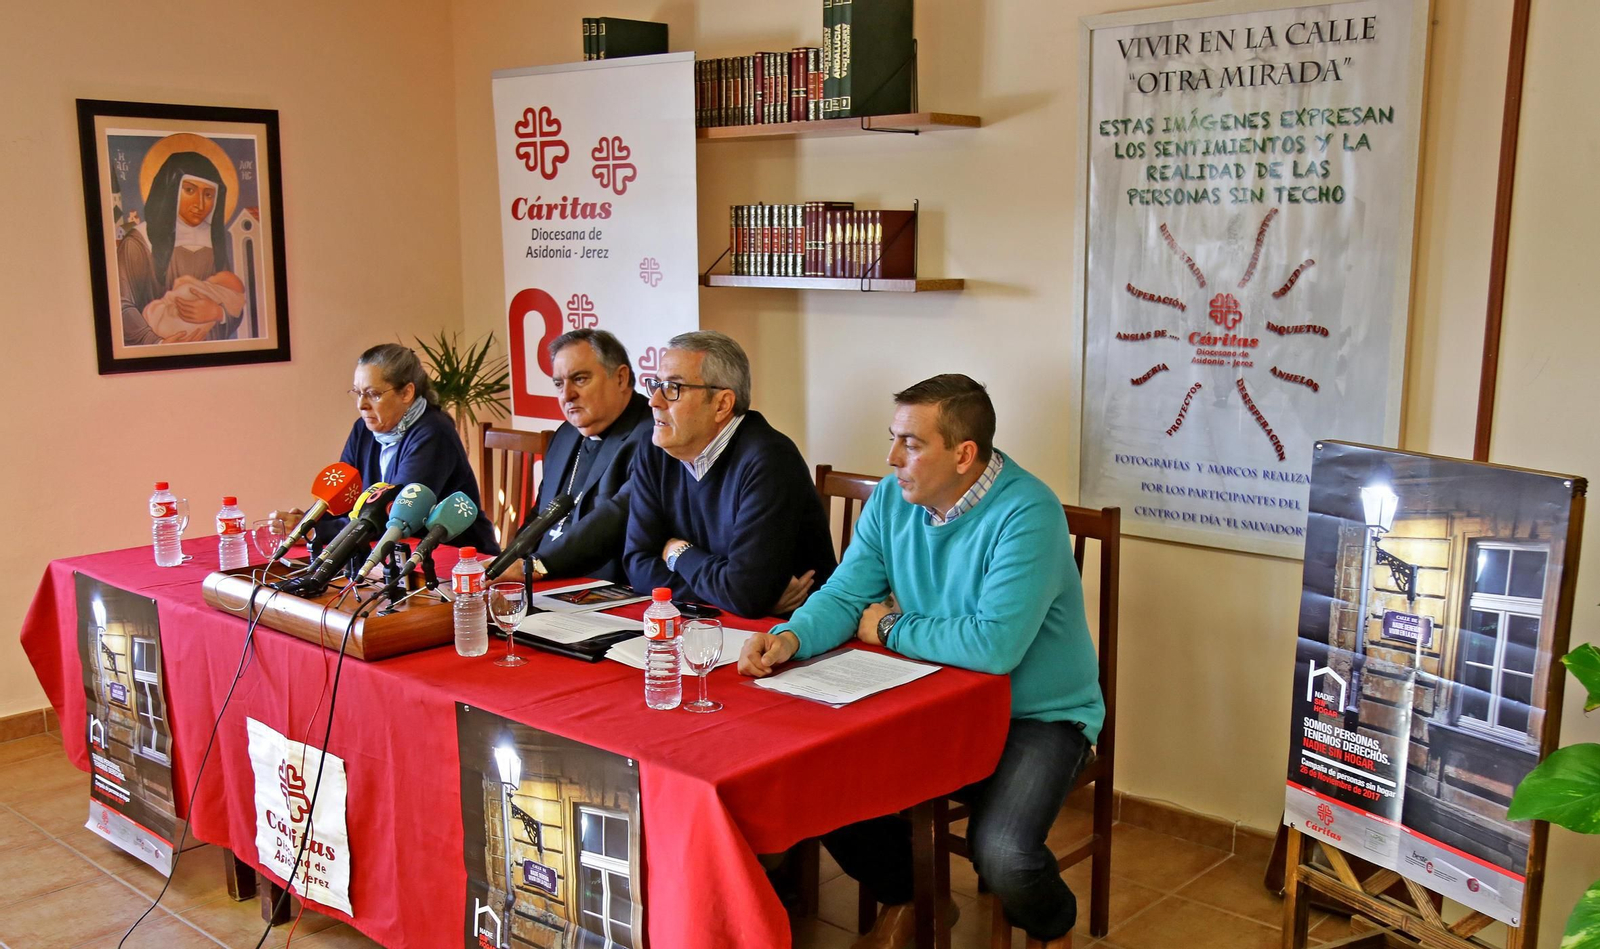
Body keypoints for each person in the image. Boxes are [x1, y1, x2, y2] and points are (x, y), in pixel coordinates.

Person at [738, 374, 1103, 949]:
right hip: (932, 699)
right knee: (819, 775)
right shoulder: (891, 500)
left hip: (1038, 714)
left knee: (1004, 854)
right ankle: (919, 897)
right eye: (893, 439)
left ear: (963, 454)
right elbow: (844, 594)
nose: (891, 458)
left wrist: (887, 626)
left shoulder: (1028, 513)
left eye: (910, 443)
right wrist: (790, 638)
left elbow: (993, 647)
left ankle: (1055, 926)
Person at [623, 331, 835, 617]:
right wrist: (727, 595)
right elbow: (637, 566)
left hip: (787, 633)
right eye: (656, 385)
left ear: (722, 404)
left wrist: (678, 553)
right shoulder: (655, 451)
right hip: (716, 619)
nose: (655, 401)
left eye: (673, 387)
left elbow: (746, 591)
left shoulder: (769, 460)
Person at [319, 343, 499, 554]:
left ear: (406, 393)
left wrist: (318, 532)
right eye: (358, 393)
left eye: (373, 394)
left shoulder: (434, 432)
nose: (361, 405)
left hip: (455, 559)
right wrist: (306, 522)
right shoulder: (363, 430)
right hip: (391, 555)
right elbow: (345, 497)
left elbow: (390, 513)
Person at [508, 329, 652, 583]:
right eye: (558, 384)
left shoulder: (651, 437)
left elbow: (616, 519)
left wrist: (537, 567)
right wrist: (504, 564)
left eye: (580, 379)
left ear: (620, 378)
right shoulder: (565, 435)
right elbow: (540, 515)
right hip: (548, 582)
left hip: (611, 590)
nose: (567, 395)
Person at [117, 136, 247, 345]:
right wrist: (157, 342)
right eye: (189, 190)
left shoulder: (214, 242)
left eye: (208, 194)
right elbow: (121, 306)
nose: (200, 203)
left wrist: (218, 313)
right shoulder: (139, 242)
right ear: (171, 190)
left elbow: (234, 297)